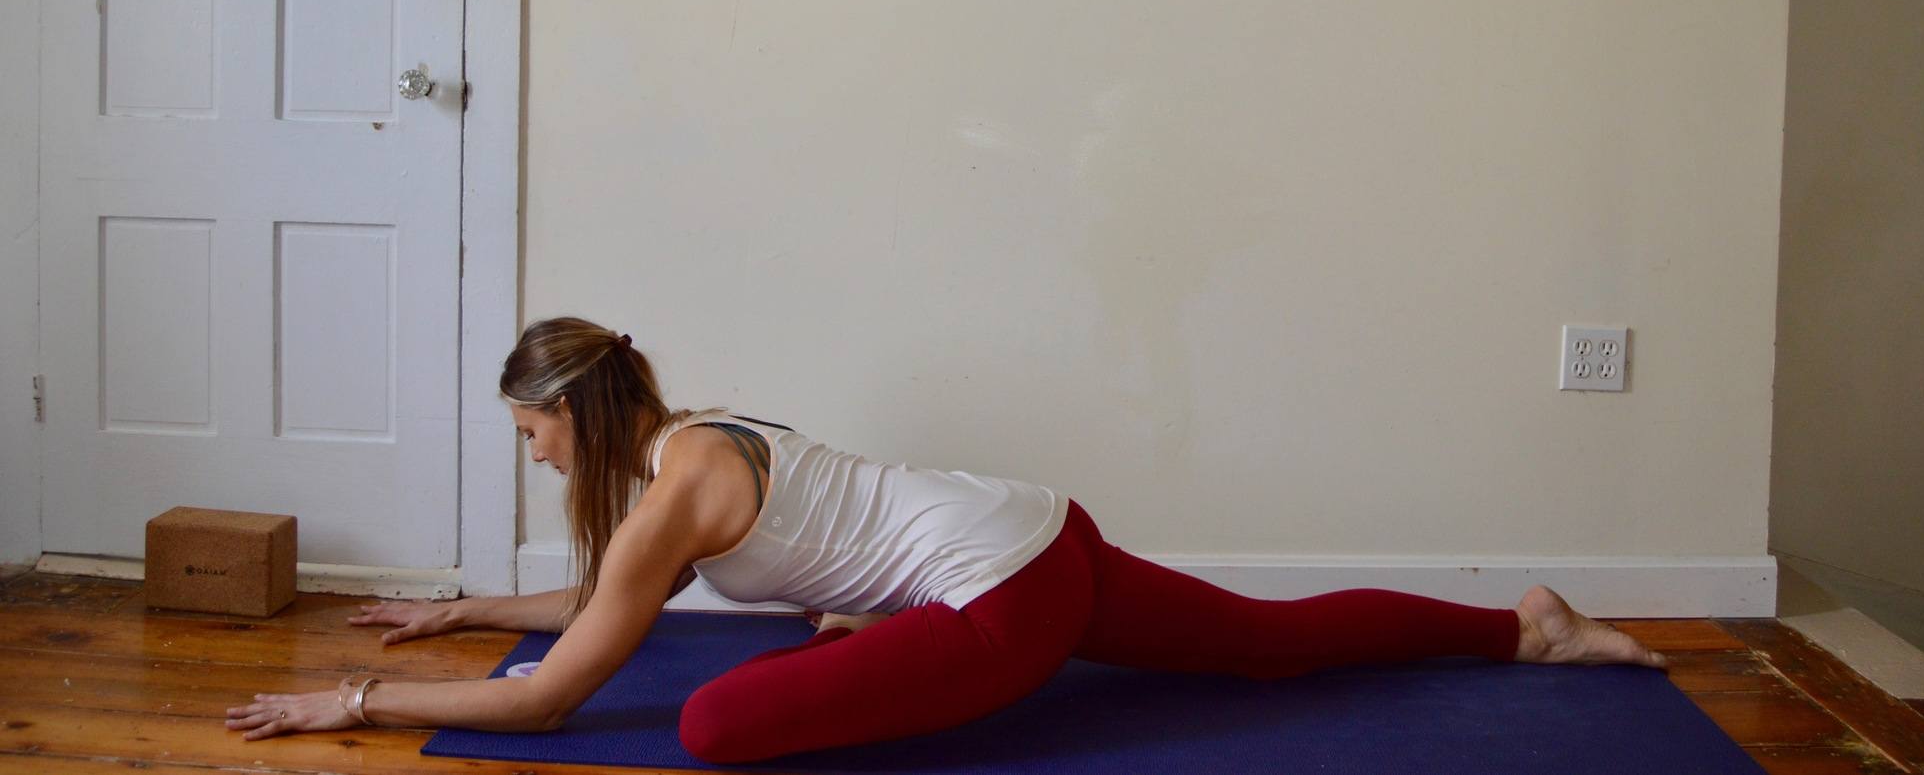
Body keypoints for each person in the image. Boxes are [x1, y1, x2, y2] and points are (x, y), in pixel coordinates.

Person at [225, 317, 1669, 763]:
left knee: (722, 723)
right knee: (1270, 643)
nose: (530, 451)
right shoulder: (688, 438)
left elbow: (556, 692)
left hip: (1004, 591)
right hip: (1037, 526)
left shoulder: (668, 497)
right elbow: (598, 598)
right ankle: (1525, 623)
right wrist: (466, 607)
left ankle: (915, 641)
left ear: (569, 415)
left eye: (528, 432)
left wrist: (346, 702)